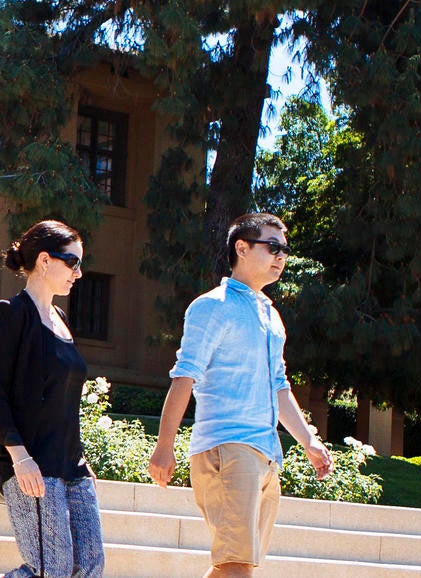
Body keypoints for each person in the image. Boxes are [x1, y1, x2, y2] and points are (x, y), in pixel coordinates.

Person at [148, 212, 333, 578]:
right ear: (242, 248)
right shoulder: (212, 306)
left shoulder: (271, 316)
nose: (281, 256)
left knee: (233, 566)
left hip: (263, 453)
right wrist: (163, 445)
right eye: (273, 247)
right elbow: (184, 377)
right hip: (228, 448)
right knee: (237, 567)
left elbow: (278, 386)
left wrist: (308, 440)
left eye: (285, 250)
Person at [0, 220, 106, 578]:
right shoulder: (11, 314)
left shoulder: (61, 319)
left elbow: (64, 401)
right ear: (45, 260)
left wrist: (81, 458)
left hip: (71, 466)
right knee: (54, 569)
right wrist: (19, 456)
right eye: (73, 263)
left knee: (90, 567)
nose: (78, 274)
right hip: (31, 464)